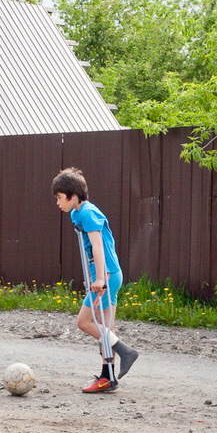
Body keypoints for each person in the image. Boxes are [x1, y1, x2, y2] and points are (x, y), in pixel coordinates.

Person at [52, 168, 138, 393]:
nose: (58, 203)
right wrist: (92, 277)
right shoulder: (77, 214)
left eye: (60, 198)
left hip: (108, 274)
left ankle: (125, 351)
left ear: (72, 195)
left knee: (84, 322)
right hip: (109, 274)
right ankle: (107, 377)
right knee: (105, 327)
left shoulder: (88, 214)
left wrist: (100, 278)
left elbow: (98, 246)